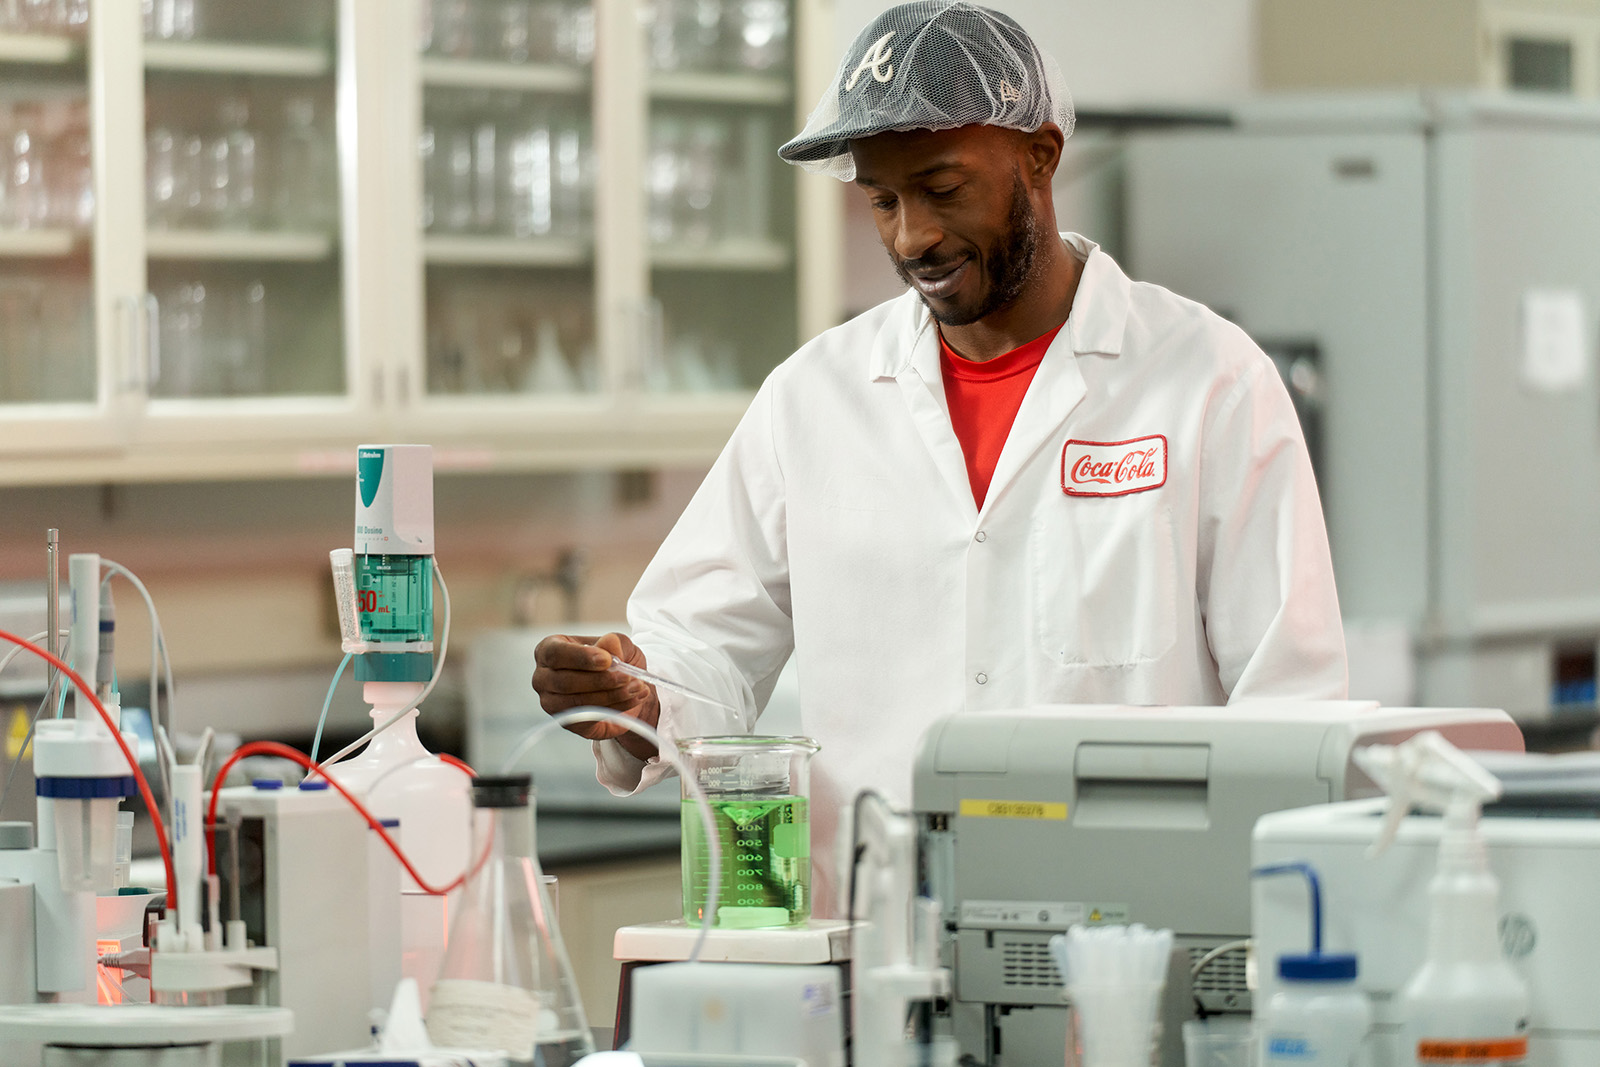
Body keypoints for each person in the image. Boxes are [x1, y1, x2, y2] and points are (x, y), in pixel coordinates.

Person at [532, 0, 1346, 911]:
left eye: (943, 188)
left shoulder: (1208, 382)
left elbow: (1291, 710)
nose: (911, 236)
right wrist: (639, 699)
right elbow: (703, 648)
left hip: (1127, 945)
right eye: (882, 200)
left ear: (1040, 156)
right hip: (877, 946)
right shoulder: (814, 399)